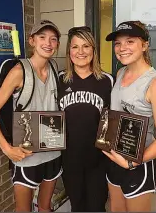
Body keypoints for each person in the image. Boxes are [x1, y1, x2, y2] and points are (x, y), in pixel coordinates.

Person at [104, 20, 156, 212]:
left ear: (144, 45)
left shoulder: (155, 83)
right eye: (118, 43)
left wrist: (133, 161)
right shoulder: (120, 73)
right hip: (114, 158)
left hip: (139, 164)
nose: (122, 48)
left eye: (130, 41)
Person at [0, 20, 62, 212]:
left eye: (53, 39)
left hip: (53, 152)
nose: (48, 43)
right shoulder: (18, 72)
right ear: (32, 41)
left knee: (45, 207)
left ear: (57, 45)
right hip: (26, 157)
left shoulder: (55, 68)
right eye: (42, 37)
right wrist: (7, 149)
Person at [58, 26, 113, 212]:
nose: (80, 52)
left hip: (98, 161)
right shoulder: (58, 80)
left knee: (97, 207)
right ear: (69, 51)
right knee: (77, 206)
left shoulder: (107, 81)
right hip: (69, 160)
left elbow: (114, 122)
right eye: (75, 47)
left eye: (86, 46)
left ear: (93, 50)